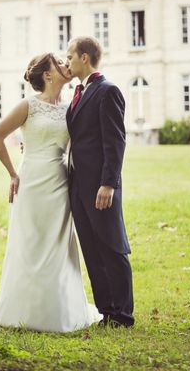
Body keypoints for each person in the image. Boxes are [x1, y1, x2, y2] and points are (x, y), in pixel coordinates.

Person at [0, 53, 102, 332]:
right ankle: (22, 310)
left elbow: (79, 143)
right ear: (48, 75)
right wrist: (13, 173)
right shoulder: (29, 105)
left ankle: (59, 309)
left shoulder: (70, 108)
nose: (65, 65)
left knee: (58, 245)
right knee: (30, 243)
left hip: (59, 182)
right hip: (31, 181)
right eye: (59, 63)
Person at [65, 36, 134, 328]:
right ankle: (107, 310)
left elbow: (115, 142)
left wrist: (108, 184)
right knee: (92, 250)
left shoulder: (108, 91)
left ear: (84, 57)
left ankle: (123, 314)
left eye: (69, 57)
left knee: (111, 247)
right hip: (78, 186)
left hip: (101, 187)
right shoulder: (79, 92)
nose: (66, 62)